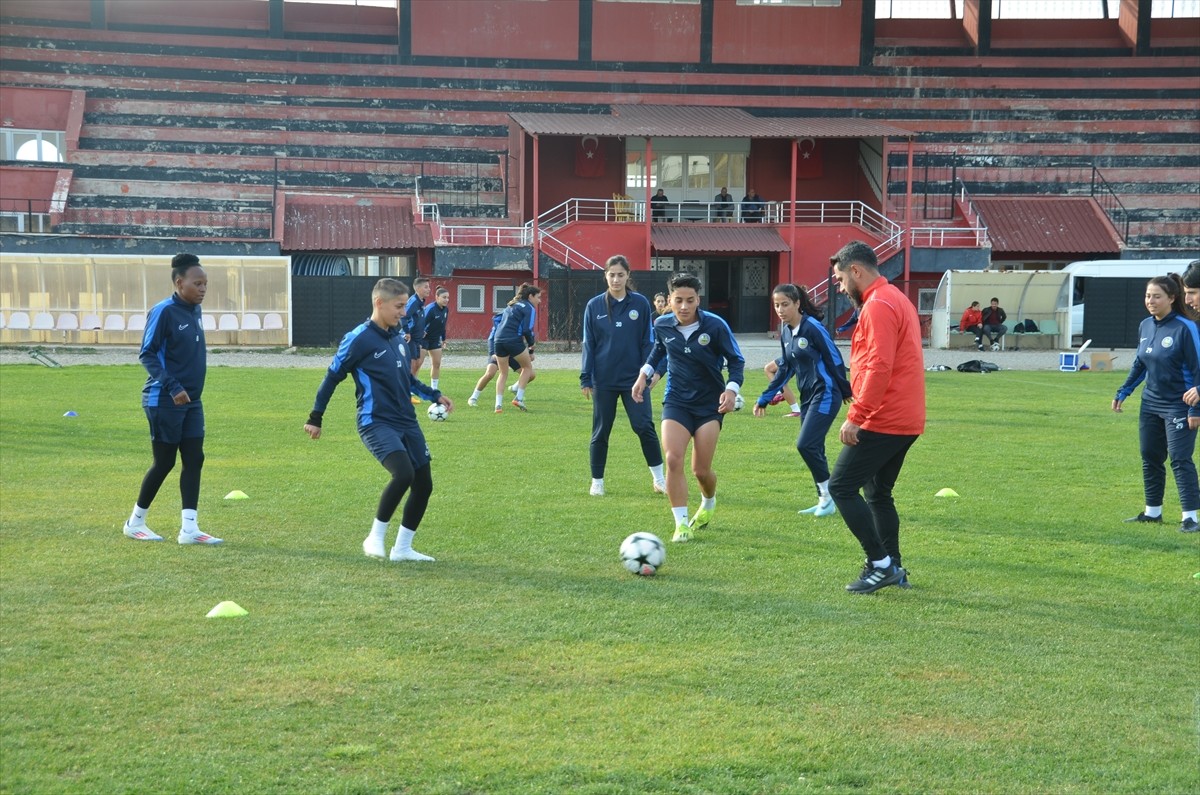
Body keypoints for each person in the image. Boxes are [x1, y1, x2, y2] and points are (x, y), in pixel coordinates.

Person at [304, 278, 453, 562]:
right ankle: (375, 536)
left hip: (406, 421)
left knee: (424, 484)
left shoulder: (397, 336)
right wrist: (316, 417)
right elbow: (331, 377)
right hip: (376, 422)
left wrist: (434, 394)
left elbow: (406, 379)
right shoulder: (358, 338)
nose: (403, 312)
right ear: (379, 303)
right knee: (404, 473)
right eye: (399, 306)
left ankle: (403, 549)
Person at [827, 240, 925, 594]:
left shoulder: (878, 305)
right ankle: (893, 566)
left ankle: (881, 564)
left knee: (839, 486)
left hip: (884, 417)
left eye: (840, 279)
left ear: (856, 271)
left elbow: (880, 366)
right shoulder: (895, 298)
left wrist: (857, 415)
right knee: (878, 494)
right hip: (905, 416)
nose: (839, 287)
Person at [632, 272, 745, 543]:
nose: (684, 307)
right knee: (672, 458)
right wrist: (643, 374)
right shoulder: (662, 324)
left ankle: (708, 501)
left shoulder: (715, 326)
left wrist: (731, 390)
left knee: (700, 471)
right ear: (668, 300)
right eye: (678, 300)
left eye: (690, 300)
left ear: (698, 300)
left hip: (710, 405)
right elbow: (658, 350)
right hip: (677, 402)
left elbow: (736, 361)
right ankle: (680, 524)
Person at [122, 252, 223, 544]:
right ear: (180, 283)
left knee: (194, 458)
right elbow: (148, 354)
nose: (203, 289)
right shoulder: (163, 311)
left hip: (192, 401)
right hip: (164, 399)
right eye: (198, 283)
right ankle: (134, 521)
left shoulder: (195, 310)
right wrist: (173, 386)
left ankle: (189, 529)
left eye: (205, 284)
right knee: (164, 462)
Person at [754, 283, 852, 517]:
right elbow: (785, 368)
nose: (780, 309)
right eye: (776, 305)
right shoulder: (786, 332)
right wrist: (766, 397)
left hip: (826, 392)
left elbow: (834, 357)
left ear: (797, 304)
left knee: (805, 444)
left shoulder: (813, 328)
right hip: (808, 396)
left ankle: (829, 497)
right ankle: (825, 500)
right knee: (813, 447)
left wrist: (845, 388)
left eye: (785, 304)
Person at [1112, 273, 1200, 533]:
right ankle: (1153, 512)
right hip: (1150, 403)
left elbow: (1197, 370)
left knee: (1180, 459)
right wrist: (1124, 390)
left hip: (1179, 404)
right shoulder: (1145, 326)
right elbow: (1141, 362)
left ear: (1172, 298)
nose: (1150, 301)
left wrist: (1195, 408)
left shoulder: (1186, 327)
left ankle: (1191, 518)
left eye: (1156, 296)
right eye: (1148, 296)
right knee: (1150, 456)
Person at [580, 255, 666, 497]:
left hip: (634, 381)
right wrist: (586, 377)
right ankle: (597, 481)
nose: (616, 279)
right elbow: (589, 344)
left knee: (644, 426)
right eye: (611, 274)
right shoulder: (594, 305)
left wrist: (647, 373)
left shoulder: (639, 304)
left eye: (620, 274)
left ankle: (660, 479)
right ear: (605, 276)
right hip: (604, 381)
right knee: (601, 431)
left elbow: (648, 343)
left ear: (628, 276)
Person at [467, 311, 535, 407]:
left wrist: (530, 352)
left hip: (513, 348)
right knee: (490, 373)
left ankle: (515, 388)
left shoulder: (526, 316)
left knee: (531, 375)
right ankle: (473, 397)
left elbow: (528, 335)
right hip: (499, 348)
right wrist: (494, 352)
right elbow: (493, 337)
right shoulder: (505, 317)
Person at [494, 283, 541, 412]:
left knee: (503, 373)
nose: (539, 300)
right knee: (527, 368)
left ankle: (498, 406)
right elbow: (527, 329)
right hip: (513, 340)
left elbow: (497, 320)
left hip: (498, 340)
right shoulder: (529, 308)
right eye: (538, 297)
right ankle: (518, 398)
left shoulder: (512, 304)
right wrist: (531, 346)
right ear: (530, 296)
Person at [420, 286, 450, 390]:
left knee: (437, 364)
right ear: (437, 297)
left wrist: (444, 338)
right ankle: (410, 388)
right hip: (423, 339)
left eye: (447, 298)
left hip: (435, 339)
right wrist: (421, 331)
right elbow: (421, 322)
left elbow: (443, 325)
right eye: (444, 297)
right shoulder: (431, 309)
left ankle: (434, 389)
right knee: (417, 364)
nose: (446, 300)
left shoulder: (446, 310)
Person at [404, 276, 432, 382]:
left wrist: (422, 331)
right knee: (411, 366)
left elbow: (416, 319)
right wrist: (407, 332)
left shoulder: (420, 302)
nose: (429, 289)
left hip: (417, 339)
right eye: (426, 287)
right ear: (418, 288)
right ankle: (406, 393)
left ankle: (410, 391)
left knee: (416, 365)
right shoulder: (414, 302)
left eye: (428, 287)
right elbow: (403, 317)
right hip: (410, 339)